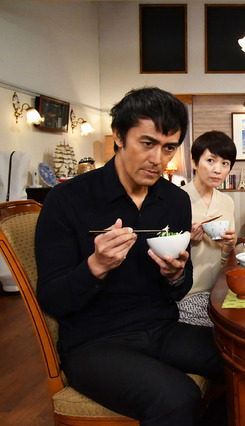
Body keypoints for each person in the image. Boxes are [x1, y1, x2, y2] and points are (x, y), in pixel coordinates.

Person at [35, 87, 223, 425]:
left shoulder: (175, 200)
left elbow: (180, 289)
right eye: (147, 143)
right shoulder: (67, 199)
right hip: (94, 342)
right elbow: (51, 298)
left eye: (169, 147)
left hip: (161, 328)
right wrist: (96, 266)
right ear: (119, 137)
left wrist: (175, 275)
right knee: (178, 397)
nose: (158, 159)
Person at [180, 130, 237, 326]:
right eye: (211, 160)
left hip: (219, 290)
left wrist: (228, 247)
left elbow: (223, 261)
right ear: (194, 162)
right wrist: (187, 242)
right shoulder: (176, 200)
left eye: (225, 163)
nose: (218, 169)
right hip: (186, 295)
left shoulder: (227, 202)